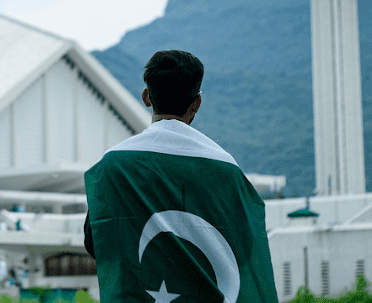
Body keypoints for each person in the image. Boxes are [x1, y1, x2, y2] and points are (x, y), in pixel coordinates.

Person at [84, 50, 277, 302]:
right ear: (197, 102)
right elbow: (244, 249)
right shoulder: (227, 169)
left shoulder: (114, 165)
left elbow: (96, 240)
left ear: (146, 97)